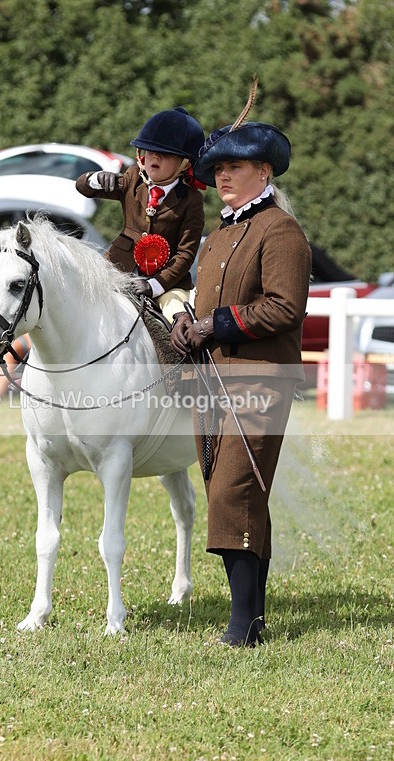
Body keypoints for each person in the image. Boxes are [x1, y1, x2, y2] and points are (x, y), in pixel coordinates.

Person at [170, 85, 312, 647]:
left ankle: (244, 624)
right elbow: (208, 302)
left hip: (260, 377)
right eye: (219, 168)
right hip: (212, 376)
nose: (223, 177)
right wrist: (190, 322)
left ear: (264, 171)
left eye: (235, 167)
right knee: (226, 491)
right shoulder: (223, 232)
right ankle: (249, 615)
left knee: (234, 491)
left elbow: (283, 307)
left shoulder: (280, 230)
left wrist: (215, 325)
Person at [75, 107, 206, 321]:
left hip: (166, 283)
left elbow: (185, 254)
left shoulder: (191, 200)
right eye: (148, 150)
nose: (154, 156)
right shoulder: (133, 177)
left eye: (165, 153)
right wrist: (95, 179)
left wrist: (154, 285)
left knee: (177, 319)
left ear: (185, 163)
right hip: (118, 266)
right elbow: (83, 188)